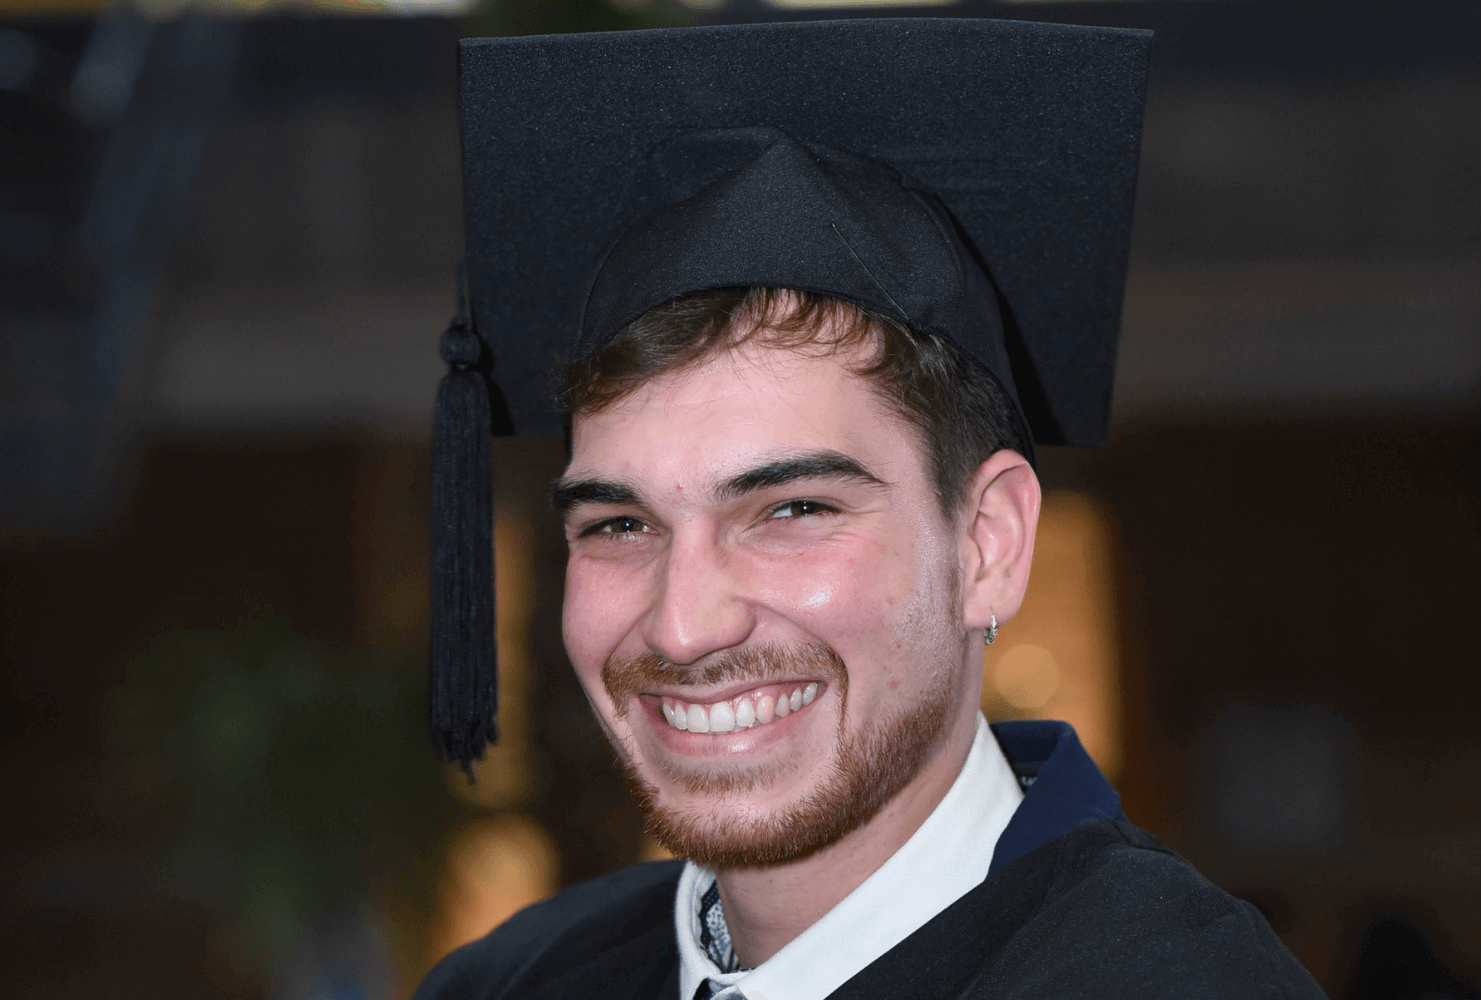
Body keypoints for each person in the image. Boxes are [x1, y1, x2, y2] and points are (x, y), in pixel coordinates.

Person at [417, 17, 1327, 1000]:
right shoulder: (514, 983)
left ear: (987, 545)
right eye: (621, 524)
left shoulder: (1172, 982)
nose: (682, 625)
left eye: (794, 507)